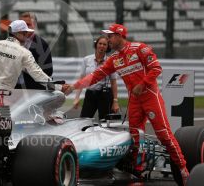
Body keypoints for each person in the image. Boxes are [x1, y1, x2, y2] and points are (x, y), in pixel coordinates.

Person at [63, 23, 189, 185]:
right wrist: (74, 86)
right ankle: (138, 173)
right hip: (135, 100)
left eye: (110, 36)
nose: (108, 40)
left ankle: (183, 169)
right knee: (135, 137)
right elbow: (94, 77)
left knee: (164, 135)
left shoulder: (139, 48)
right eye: (107, 37)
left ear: (119, 35)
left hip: (150, 97)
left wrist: (142, 84)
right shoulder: (114, 59)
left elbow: (156, 68)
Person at [0, 19, 53, 91]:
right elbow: (37, 74)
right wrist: (56, 86)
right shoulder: (24, 52)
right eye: (25, 33)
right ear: (19, 33)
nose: (27, 36)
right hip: (6, 94)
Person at [73, 35, 119, 120]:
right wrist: (76, 97)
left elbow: (113, 82)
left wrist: (115, 101)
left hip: (105, 95)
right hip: (90, 94)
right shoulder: (86, 60)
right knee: (84, 121)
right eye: (100, 43)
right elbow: (81, 79)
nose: (102, 46)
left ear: (107, 47)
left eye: (104, 44)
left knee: (106, 124)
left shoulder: (110, 61)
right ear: (96, 45)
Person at [15, 12, 53, 90]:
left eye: (28, 24)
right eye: (22, 25)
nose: (24, 28)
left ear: (34, 25)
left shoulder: (42, 45)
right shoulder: (10, 42)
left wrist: (26, 68)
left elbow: (48, 71)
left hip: (33, 90)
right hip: (13, 88)